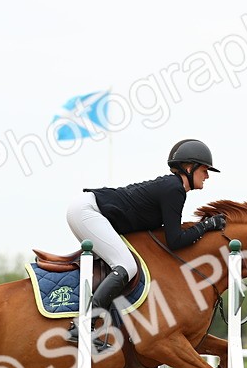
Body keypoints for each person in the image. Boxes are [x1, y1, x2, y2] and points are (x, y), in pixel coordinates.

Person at [65, 138, 227, 341]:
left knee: (124, 264)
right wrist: (207, 226)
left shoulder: (172, 187)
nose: (207, 176)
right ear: (188, 167)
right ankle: (83, 325)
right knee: (126, 265)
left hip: (88, 210)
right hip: (88, 211)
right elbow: (175, 240)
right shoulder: (174, 189)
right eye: (204, 170)